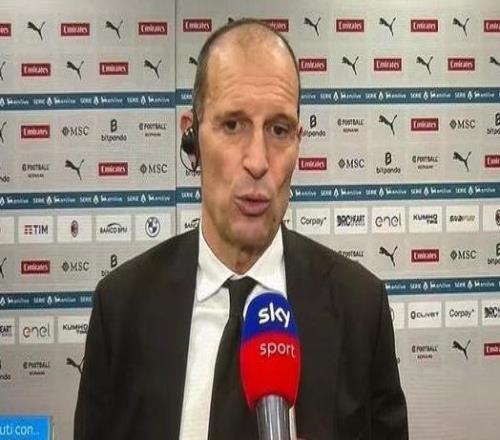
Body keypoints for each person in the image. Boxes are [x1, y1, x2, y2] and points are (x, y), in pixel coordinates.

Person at [74, 18, 408, 440]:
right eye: (232, 125)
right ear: (192, 137)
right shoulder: (121, 307)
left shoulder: (361, 308)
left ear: (299, 141)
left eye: (279, 130)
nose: (258, 161)